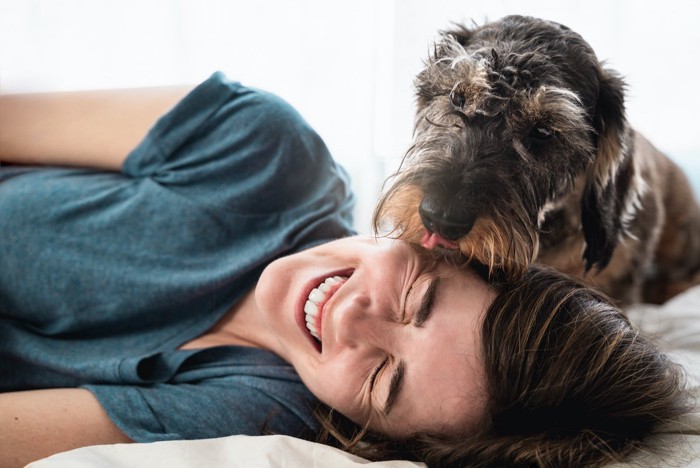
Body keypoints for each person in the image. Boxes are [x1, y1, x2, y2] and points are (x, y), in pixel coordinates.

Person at [0, 72, 690, 467]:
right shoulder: (262, 151)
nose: (355, 321)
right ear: (437, 244)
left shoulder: (255, 413)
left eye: (387, 380)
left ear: (379, 434)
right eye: (417, 299)